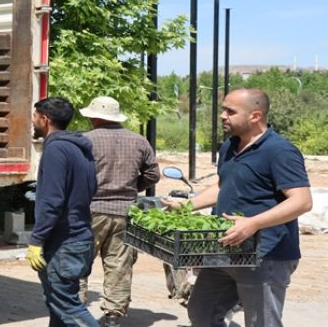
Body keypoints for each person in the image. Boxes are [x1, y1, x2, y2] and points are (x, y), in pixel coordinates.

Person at [164, 88, 313, 327]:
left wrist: (253, 223)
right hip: (225, 249)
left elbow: (302, 201)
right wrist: (186, 206)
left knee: (261, 322)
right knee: (202, 312)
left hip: (265, 254)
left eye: (230, 111)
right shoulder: (230, 146)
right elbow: (224, 185)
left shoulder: (279, 151)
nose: (223, 115)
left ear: (255, 116)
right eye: (223, 109)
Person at [77, 96, 160, 327]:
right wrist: (133, 187)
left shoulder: (85, 141)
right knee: (119, 265)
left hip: (90, 211)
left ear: (94, 117)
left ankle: (76, 310)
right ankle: (113, 317)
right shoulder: (139, 141)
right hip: (125, 212)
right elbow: (153, 175)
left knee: (79, 262)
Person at [26, 97, 100, 327]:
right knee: (58, 306)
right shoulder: (79, 148)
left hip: (63, 244)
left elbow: (51, 201)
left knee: (68, 308)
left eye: (35, 118)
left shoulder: (56, 150)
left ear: (45, 119)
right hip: (79, 239)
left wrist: (37, 240)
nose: (33, 123)